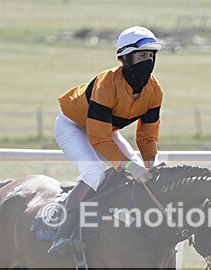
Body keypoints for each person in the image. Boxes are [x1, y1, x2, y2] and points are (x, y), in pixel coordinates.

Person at [51, 26, 164, 252]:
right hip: (72, 125)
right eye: (142, 55)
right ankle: (61, 231)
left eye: (151, 56)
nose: (148, 61)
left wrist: (150, 164)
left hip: (105, 128)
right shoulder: (106, 84)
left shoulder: (154, 90)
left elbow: (147, 135)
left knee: (141, 168)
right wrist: (130, 166)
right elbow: (99, 139)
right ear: (125, 58)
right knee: (94, 172)